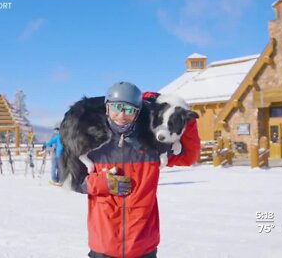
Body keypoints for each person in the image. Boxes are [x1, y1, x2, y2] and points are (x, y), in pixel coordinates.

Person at [75, 82, 201, 258]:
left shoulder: (152, 144)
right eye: (116, 107)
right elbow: (71, 179)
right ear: (106, 108)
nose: (121, 115)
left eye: (129, 109)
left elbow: (189, 157)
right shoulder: (92, 143)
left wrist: (186, 119)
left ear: (138, 111)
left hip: (143, 245)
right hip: (104, 246)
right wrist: (101, 184)